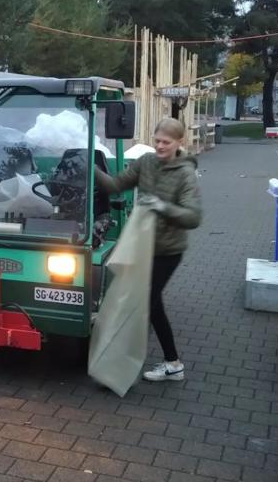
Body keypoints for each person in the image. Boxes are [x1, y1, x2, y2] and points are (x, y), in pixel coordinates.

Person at [95, 118, 202, 382]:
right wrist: (91, 166)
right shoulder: (146, 162)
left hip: (168, 251)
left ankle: (127, 367)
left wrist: (162, 206)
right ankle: (170, 363)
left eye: (166, 142)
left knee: (145, 304)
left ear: (180, 143)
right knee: (151, 306)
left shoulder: (185, 174)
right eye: (157, 141)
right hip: (143, 247)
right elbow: (114, 186)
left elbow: (194, 217)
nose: (160, 146)